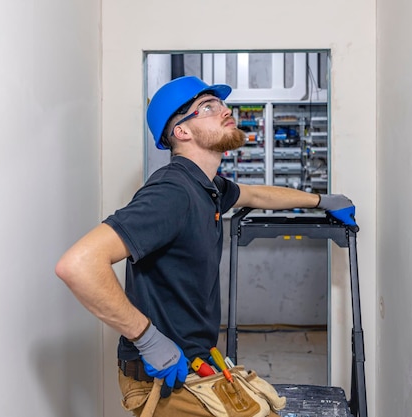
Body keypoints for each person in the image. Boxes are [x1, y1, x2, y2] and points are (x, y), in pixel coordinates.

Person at [55, 75, 356, 417]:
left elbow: (256, 194)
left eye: (222, 103)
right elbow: (79, 263)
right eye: (208, 107)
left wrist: (321, 200)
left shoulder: (207, 187)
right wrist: (148, 339)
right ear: (182, 131)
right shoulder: (173, 193)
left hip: (195, 366)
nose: (225, 110)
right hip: (163, 380)